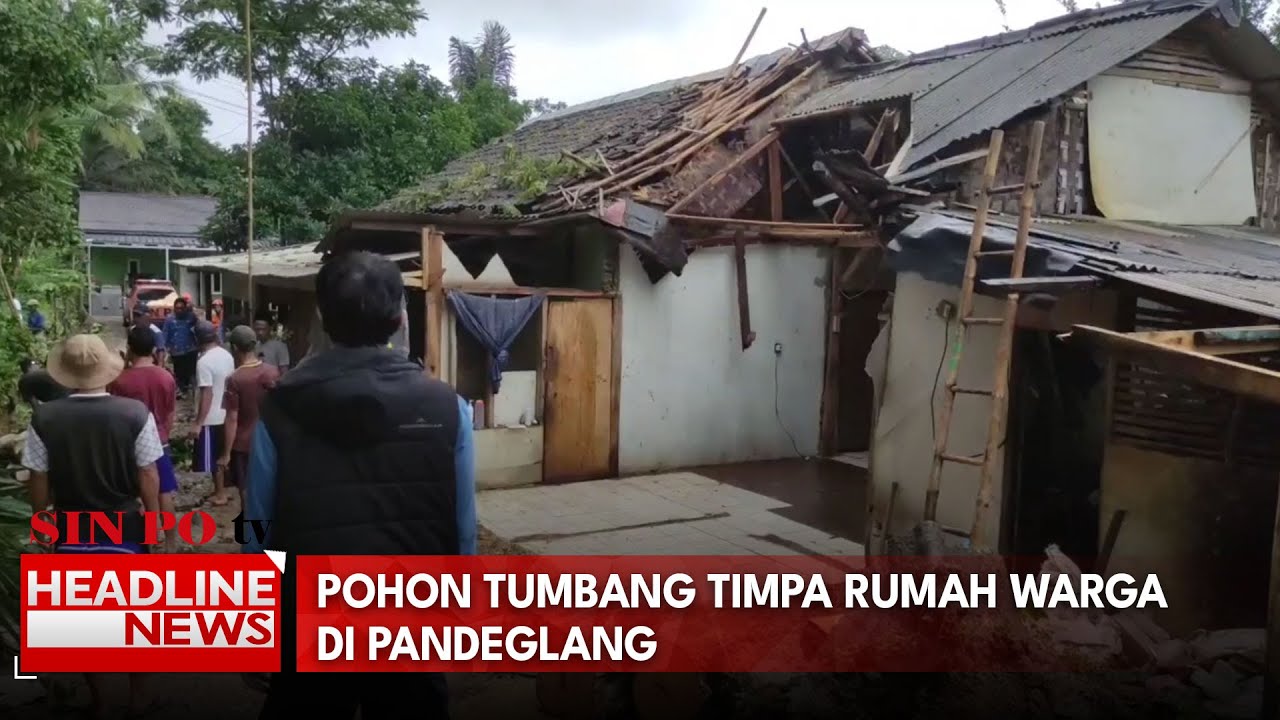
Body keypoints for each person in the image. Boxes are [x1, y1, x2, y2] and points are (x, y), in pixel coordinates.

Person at [244, 251, 475, 719]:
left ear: (324, 317)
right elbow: (461, 523)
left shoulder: (281, 406)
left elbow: (258, 529)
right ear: (398, 319)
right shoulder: (447, 407)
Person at [22, 334, 163, 720]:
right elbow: (148, 473)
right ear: (108, 369)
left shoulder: (45, 417)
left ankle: (101, 702)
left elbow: (38, 476)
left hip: (70, 529)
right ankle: (139, 698)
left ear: (65, 375)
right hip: (126, 529)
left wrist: (42, 524)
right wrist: (154, 526)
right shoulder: (134, 413)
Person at [109, 326, 180, 553]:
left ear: (129, 347)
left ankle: (142, 541)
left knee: (131, 496)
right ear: (153, 348)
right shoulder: (165, 377)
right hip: (159, 441)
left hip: (129, 445)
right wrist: (164, 435)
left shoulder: (121, 380)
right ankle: (170, 542)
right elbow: (170, 413)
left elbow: (116, 414)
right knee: (163, 492)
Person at [219, 326, 279, 510]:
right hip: (270, 441)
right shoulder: (272, 372)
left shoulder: (235, 379)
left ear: (235, 347)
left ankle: (252, 533)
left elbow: (232, 418)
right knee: (269, 488)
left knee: (245, 491)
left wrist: (226, 453)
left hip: (244, 444)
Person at [189, 320, 234, 506]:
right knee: (224, 453)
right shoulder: (226, 355)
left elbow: (207, 393)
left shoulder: (204, 362)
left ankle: (220, 493)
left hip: (212, 416)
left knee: (214, 458)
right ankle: (223, 490)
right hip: (226, 412)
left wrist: (198, 422)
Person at [163, 296, 199, 396]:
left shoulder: (191, 317)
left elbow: (198, 329)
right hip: (176, 351)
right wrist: (165, 348)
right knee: (179, 373)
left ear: (185, 308)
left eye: (181, 308)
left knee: (191, 372)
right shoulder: (169, 319)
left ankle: (190, 390)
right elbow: (165, 333)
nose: (179, 310)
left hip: (191, 350)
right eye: (177, 308)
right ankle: (182, 389)